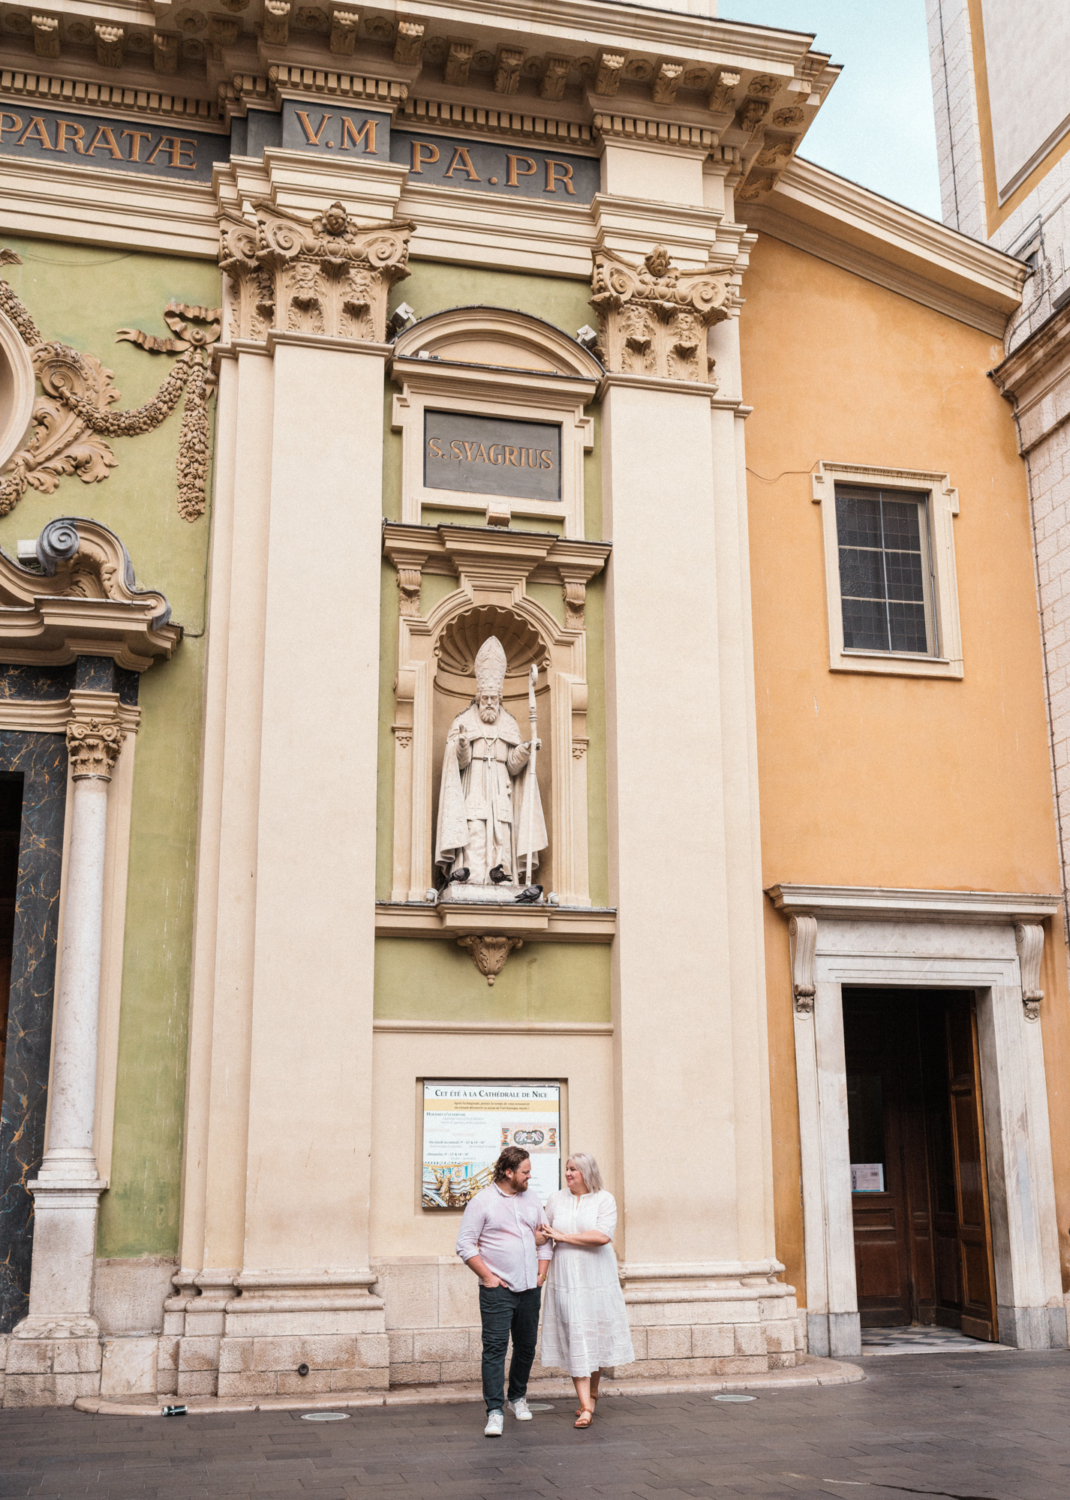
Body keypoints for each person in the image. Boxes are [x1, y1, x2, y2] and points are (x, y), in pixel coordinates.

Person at [456, 1144, 552, 1437]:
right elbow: (465, 1244)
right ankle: (495, 1411)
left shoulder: (532, 1199)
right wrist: (487, 1277)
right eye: (525, 1172)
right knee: (495, 1349)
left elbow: (545, 1238)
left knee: (526, 1347)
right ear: (508, 1172)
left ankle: (517, 1398)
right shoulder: (482, 1202)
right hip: (498, 1290)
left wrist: (541, 1275)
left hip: (529, 1288)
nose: (529, 1177)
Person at [540, 1152, 634, 1428]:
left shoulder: (604, 1199)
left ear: (587, 1172)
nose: (568, 1173)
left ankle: (592, 1393)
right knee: (575, 1333)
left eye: (574, 1169)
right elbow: (543, 1233)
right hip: (566, 1277)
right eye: (567, 1169)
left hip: (597, 1277)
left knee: (594, 1333)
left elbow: (603, 1236)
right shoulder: (556, 1199)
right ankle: (585, 1407)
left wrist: (563, 1237)